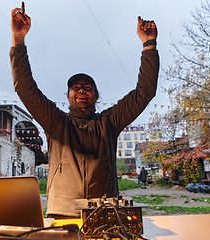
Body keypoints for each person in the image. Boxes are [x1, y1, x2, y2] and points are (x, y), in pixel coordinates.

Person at [10, 2, 159, 218]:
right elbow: (24, 87)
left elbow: (144, 92)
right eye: (75, 87)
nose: (81, 90)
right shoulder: (55, 121)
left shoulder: (109, 122)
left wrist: (149, 46)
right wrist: (18, 40)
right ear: (68, 95)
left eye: (88, 88)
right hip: (62, 212)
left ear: (96, 96)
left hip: (104, 210)